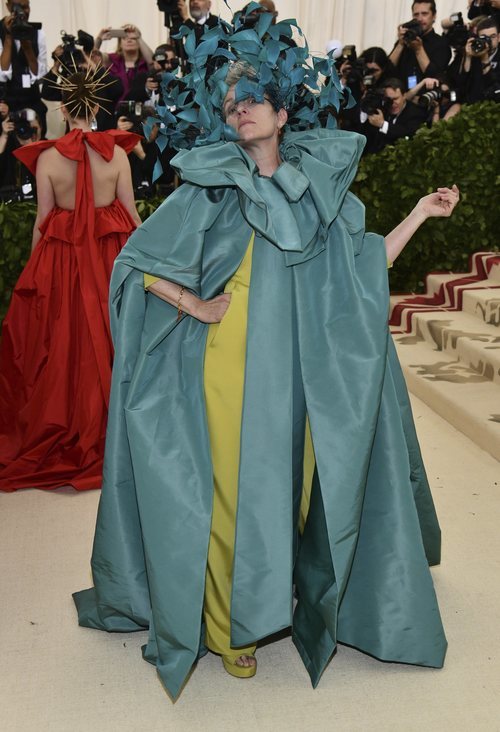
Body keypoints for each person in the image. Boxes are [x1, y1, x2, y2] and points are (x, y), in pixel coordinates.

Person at [73, 13, 459, 701]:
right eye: (230, 104)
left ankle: (279, 596)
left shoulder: (319, 195)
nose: (240, 110)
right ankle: (232, 630)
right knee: (226, 498)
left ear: (283, 111)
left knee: (290, 493)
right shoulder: (210, 189)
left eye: (252, 99)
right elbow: (134, 266)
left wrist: (423, 214)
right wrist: (194, 306)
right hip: (224, 373)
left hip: (300, 383)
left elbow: (365, 269)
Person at [0, 70, 142, 492]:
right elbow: (133, 218)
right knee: (109, 335)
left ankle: (64, 420)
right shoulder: (116, 155)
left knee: (62, 342)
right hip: (109, 258)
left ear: (62, 110)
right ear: (98, 107)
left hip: (61, 262)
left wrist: (32, 269)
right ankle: (111, 426)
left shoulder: (45, 158)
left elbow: (43, 223)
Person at [0, 0, 47, 129]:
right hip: (8, 104)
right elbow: (2, 74)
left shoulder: (38, 33)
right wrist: (9, 37)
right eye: (18, 7)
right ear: (8, 6)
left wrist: (27, 46)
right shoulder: (1, 32)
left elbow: (39, 75)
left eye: (26, 7)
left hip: (33, 101)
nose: (23, 12)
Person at [389, 1, 451, 89]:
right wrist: (400, 44)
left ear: (434, 16)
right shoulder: (405, 40)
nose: (420, 19)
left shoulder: (441, 43)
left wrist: (419, 50)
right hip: (401, 97)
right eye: (416, 15)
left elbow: (434, 75)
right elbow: (387, 70)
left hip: (426, 97)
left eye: (424, 14)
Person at [359, 77, 428, 153]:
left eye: (395, 99)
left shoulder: (416, 113)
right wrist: (365, 107)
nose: (392, 103)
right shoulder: (382, 108)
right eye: (388, 99)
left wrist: (382, 124)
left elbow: (408, 132)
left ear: (404, 95)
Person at [94, 24, 153, 102]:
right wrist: (99, 39)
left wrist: (139, 37)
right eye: (124, 38)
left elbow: (152, 61)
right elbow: (92, 57)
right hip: (114, 107)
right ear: (120, 44)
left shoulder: (144, 62)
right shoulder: (112, 59)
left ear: (139, 43)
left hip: (141, 107)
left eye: (133, 38)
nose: (129, 40)